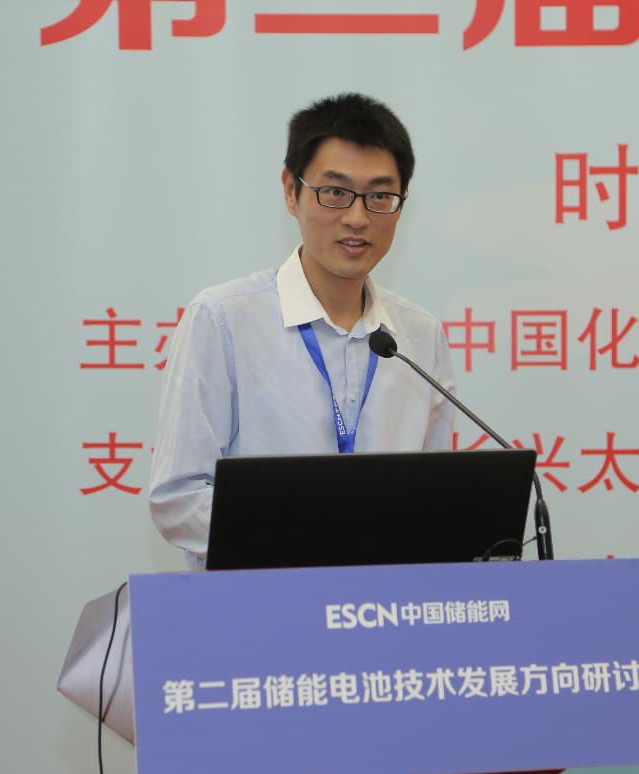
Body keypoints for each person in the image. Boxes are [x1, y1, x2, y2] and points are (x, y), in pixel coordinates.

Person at [148, 92, 456, 571]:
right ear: (291, 191)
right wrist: (312, 540)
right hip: (261, 604)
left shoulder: (419, 336)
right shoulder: (224, 319)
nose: (357, 218)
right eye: (335, 192)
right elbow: (179, 497)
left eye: (380, 196)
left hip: (385, 607)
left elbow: (436, 500)